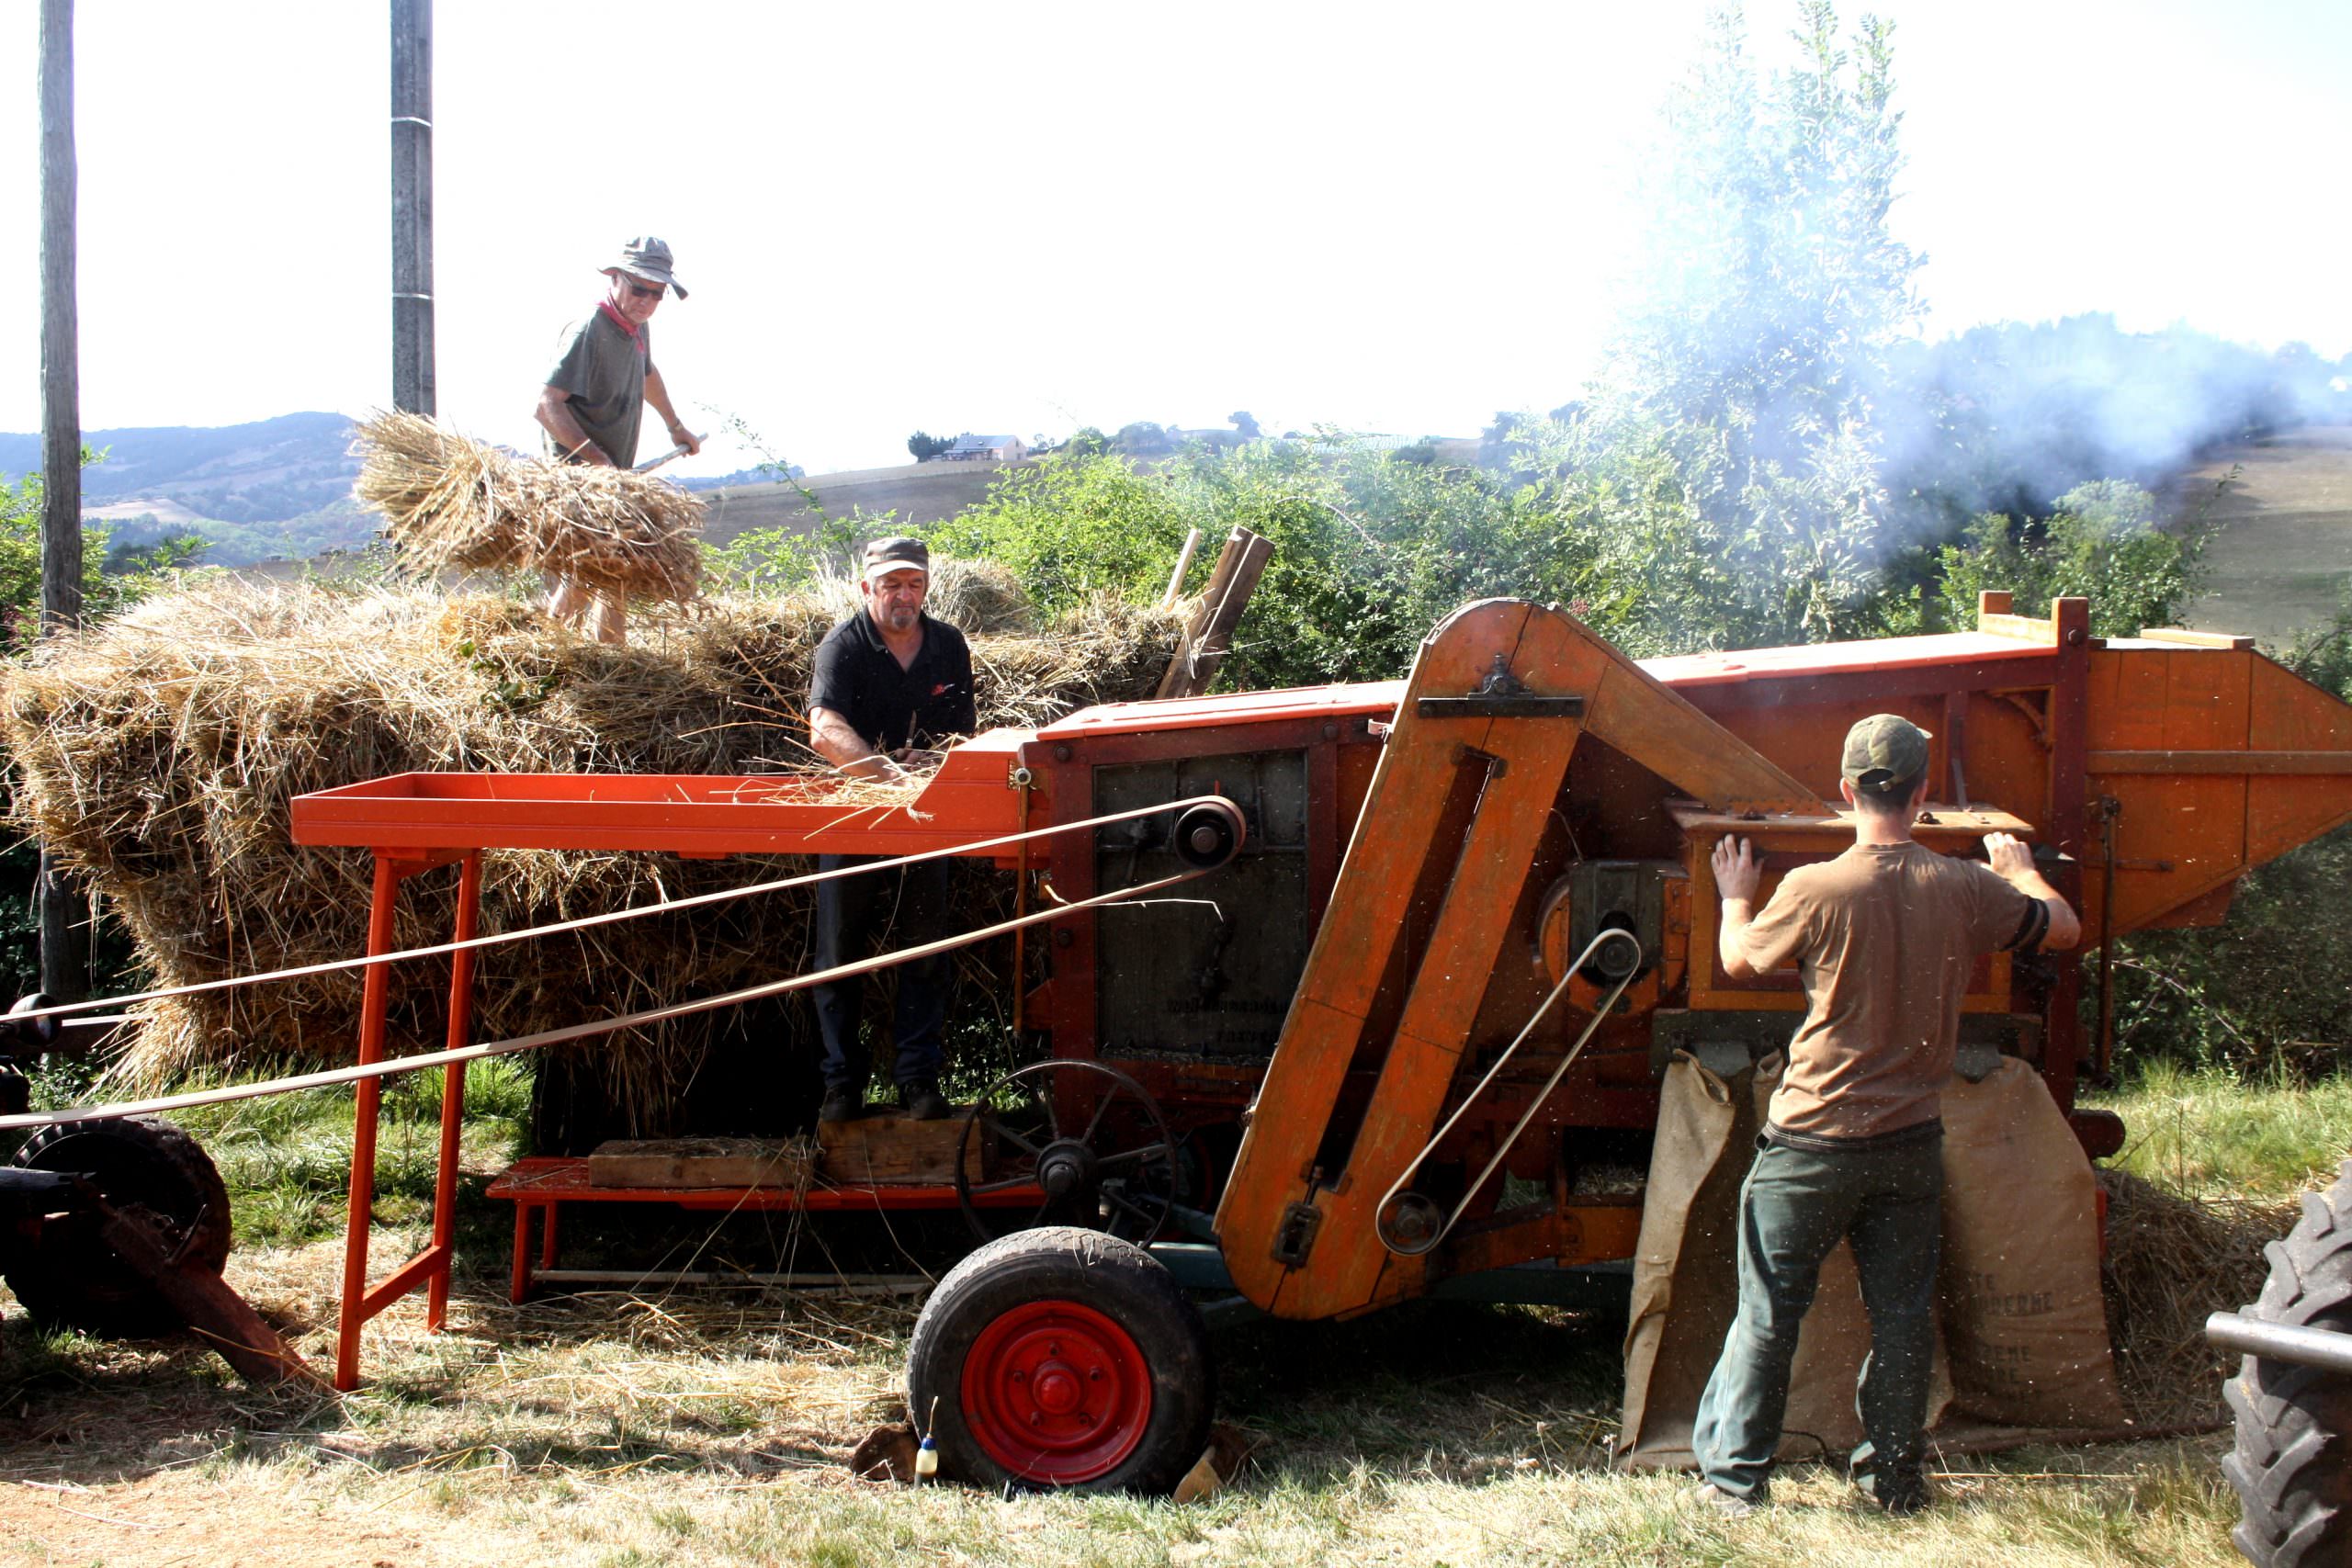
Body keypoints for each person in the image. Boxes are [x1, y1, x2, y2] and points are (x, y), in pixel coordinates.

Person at [1688, 713, 2080, 1520]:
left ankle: (1736, 1484)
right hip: (1908, 1144)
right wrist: (2022, 870)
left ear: (1845, 791)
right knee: (1903, 1319)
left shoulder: (1814, 888)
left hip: (1811, 1143)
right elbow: (2064, 929)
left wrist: (1733, 897)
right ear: (1923, 792)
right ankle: (1894, 1481)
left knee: (1769, 1315)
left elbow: (1738, 959)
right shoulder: (1967, 887)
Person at [805, 537, 978, 1123]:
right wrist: (883, 773)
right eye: (891, 585)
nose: (904, 596)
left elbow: (962, 736)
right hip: (854, 810)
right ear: (867, 589)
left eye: (914, 585)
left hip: (929, 814)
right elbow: (825, 729)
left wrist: (932, 765)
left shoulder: (949, 645)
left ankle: (918, 1079)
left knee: (926, 948)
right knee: (838, 952)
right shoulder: (843, 645)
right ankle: (841, 1087)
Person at [532, 235, 702, 644]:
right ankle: (547, 655)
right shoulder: (589, 331)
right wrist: (595, 459)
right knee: (586, 572)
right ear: (615, 278)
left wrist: (675, 426)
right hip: (575, 480)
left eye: (655, 293)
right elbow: (547, 406)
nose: (645, 300)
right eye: (638, 288)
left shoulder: (636, 330)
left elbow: (647, 375)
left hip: (609, 477)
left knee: (616, 571)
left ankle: (615, 664)